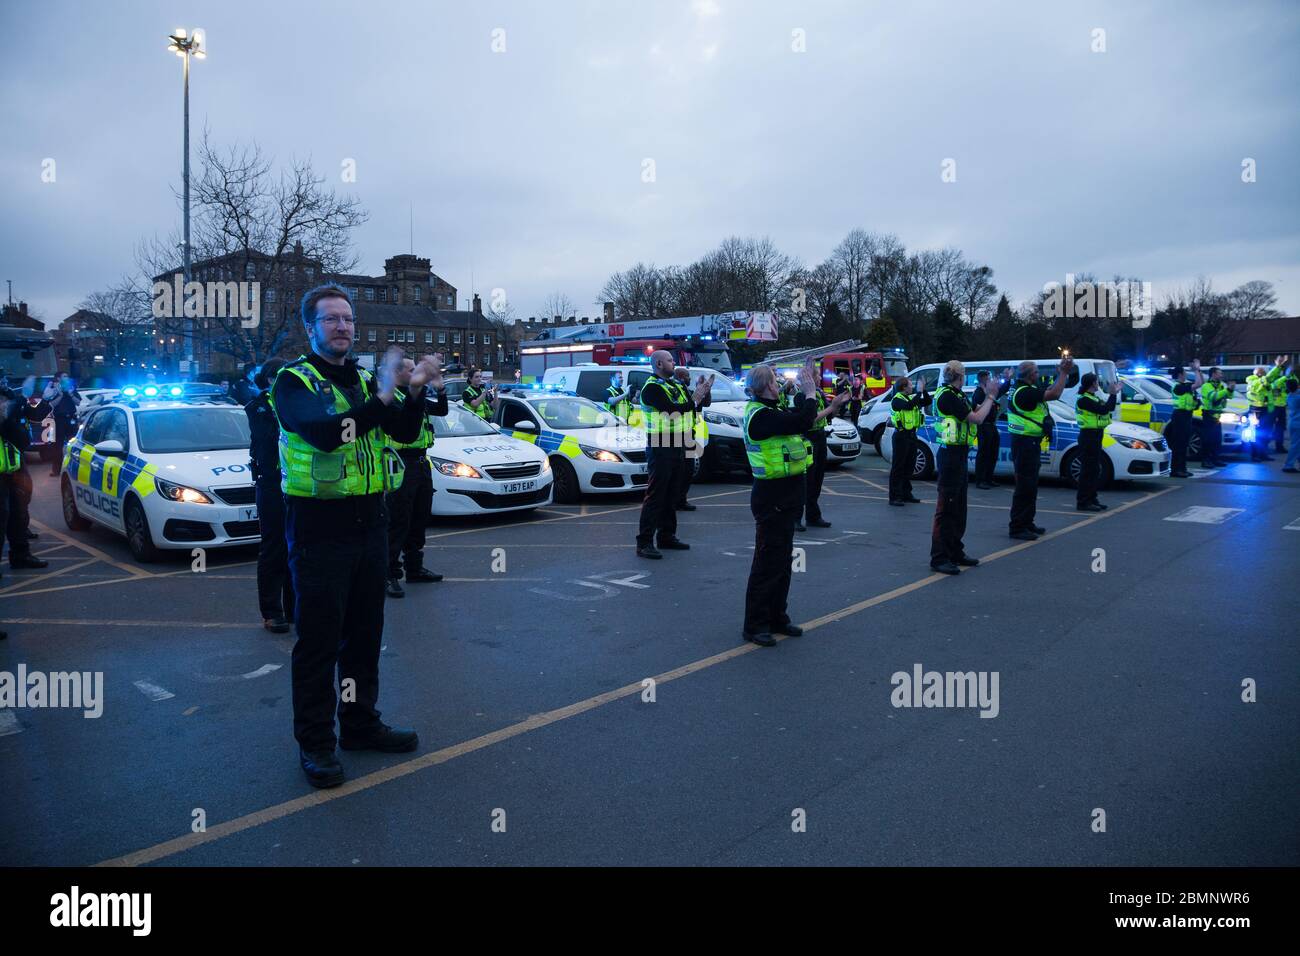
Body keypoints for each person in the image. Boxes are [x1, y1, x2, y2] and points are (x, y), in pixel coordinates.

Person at [270, 284, 436, 789]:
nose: (343, 326)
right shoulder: (293, 382)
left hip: (370, 524)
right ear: (310, 328)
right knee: (320, 643)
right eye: (331, 319)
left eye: (347, 319)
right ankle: (316, 744)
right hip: (320, 531)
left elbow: (405, 434)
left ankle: (359, 723)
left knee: (364, 639)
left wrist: (416, 390)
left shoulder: (364, 382)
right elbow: (328, 434)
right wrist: (386, 394)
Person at [741, 361, 848, 645]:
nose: (779, 386)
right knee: (767, 563)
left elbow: (804, 420)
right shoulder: (760, 416)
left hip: (786, 495)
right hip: (771, 497)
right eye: (775, 383)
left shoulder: (772, 411)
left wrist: (828, 406)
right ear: (765, 387)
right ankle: (755, 624)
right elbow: (801, 420)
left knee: (782, 562)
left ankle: (778, 616)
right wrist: (810, 392)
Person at [385, 355, 449, 598]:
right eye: (411, 370)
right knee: (397, 521)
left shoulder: (415, 395)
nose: (415, 374)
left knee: (419, 517)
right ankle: (389, 574)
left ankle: (414, 567)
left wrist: (440, 386)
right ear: (398, 373)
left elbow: (441, 409)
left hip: (421, 462)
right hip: (400, 463)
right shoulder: (392, 398)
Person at [635, 350, 710, 559]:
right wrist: (694, 400)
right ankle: (644, 542)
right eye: (669, 360)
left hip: (679, 441)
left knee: (672, 493)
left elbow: (694, 407)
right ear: (659, 364)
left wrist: (703, 392)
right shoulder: (651, 387)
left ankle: (667, 536)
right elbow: (672, 410)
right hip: (660, 442)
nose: (673, 362)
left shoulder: (676, 384)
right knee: (656, 494)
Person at [931, 361, 1000, 574]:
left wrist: (991, 397)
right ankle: (939, 557)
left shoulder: (957, 394)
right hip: (950, 455)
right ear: (960, 376)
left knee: (959, 508)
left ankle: (955, 551)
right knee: (947, 508)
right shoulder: (948, 396)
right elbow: (977, 418)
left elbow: (975, 411)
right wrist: (990, 396)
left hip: (959, 453)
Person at [246, 358, 294, 633]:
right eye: (278, 376)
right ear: (268, 379)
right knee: (274, 548)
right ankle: (272, 611)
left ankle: (293, 607)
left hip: (295, 485)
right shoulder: (259, 407)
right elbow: (270, 439)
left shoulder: (293, 402)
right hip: (271, 484)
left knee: (295, 547)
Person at [1007, 356, 1073, 540]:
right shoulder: (1024, 392)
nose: (1038, 374)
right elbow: (1054, 394)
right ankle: (1018, 527)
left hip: (1028, 442)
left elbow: (1049, 390)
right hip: (1025, 443)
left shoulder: (1025, 388)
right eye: (1036, 372)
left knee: (1030, 486)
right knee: (1025, 486)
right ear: (1029, 375)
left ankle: (1027, 522)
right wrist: (1064, 373)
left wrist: (1060, 374)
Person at [0, 379, 39, 586]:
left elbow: (23, 441)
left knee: (18, 514)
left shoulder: (7, 419)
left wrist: (9, 420)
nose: (4, 406)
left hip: (12, 471)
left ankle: (21, 555)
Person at [1074, 373, 1120, 511]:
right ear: (1092, 383)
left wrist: (1113, 394)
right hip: (1088, 436)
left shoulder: (1093, 398)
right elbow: (1104, 409)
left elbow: (1108, 408)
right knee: (1087, 470)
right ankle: (1083, 502)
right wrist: (1112, 394)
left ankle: (1092, 498)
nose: (1098, 383)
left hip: (1095, 435)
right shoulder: (1084, 400)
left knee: (1094, 470)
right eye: (1096, 381)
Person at [672, 365, 709, 511]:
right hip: (676, 434)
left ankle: (681, 499)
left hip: (688, 433)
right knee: (679, 469)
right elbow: (684, 406)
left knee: (688, 469)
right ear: (681, 377)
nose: (689, 379)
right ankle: (674, 500)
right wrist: (697, 396)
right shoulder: (675, 390)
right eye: (687, 376)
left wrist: (705, 389)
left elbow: (704, 403)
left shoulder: (686, 390)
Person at [887, 375, 929, 506]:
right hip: (900, 436)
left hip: (911, 435)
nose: (912, 387)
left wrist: (924, 390)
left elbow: (927, 401)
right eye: (910, 385)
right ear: (904, 387)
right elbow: (909, 406)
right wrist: (920, 392)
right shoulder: (897, 400)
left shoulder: (909, 398)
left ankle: (906, 493)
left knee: (909, 466)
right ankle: (894, 496)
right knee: (898, 467)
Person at [1166, 362, 1204, 477]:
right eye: (1184, 372)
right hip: (1179, 416)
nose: (1186, 374)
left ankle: (1182, 468)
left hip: (1186, 416)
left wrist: (1198, 370)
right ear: (1180, 374)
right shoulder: (1178, 387)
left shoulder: (1184, 385)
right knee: (1179, 444)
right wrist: (1196, 370)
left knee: (1184, 443)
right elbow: (1198, 384)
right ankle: (1176, 470)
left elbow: (1200, 383)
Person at [1245, 358, 1286, 461]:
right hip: (1256, 410)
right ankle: (1255, 455)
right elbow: (1269, 378)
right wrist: (1278, 367)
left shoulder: (1262, 382)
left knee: (1265, 433)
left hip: (1265, 410)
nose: (1264, 375)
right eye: (1262, 373)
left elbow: (1271, 380)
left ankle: (1263, 454)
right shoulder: (1254, 382)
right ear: (1258, 374)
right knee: (1256, 434)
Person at [972, 369, 1004, 489]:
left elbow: (1000, 392)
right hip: (984, 426)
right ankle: (980, 480)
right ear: (983, 380)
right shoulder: (979, 393)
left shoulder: (988, 392)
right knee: (983, 453)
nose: (990, 380)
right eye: (988, 378)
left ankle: (988, 478)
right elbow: (977, 409)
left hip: (991, 425)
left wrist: (1007, 379)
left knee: (992, 453)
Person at [1198, 368, 1232, 468]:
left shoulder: (1220, 385)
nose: (1221, 375)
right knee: (1208, 439)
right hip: (1208, 414)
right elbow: (1214, 397)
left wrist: (1230, 390)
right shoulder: (1206, 386)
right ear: (1213, 374)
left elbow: (1229, 396)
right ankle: (1206, 460)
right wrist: (1227, 390)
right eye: (1219, 373)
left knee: (1217, 439)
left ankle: (1215, 459)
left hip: (1217, 415)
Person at [47, 375, 79, 477]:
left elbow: (78, 403)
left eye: (67, 381)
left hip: (71, 419)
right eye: (63, 381)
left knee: (74, 445)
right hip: (59, 420)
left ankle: (75, 470)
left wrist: (71, 395)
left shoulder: (72, 391)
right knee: (57, 446)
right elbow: (51, 405)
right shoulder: (55, 391)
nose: (65, 384)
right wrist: (60, 395)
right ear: (59, 381)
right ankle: (56, 470)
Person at [1269, 361, 1293, 454]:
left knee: (1281, 428)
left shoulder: (1287, 377)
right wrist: (1285, 377)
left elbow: (1294, 384)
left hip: (1282, 406)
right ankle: (1264, 447)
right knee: (1269, 427)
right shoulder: (1273, 378)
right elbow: (1274, 385)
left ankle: (1279, 446)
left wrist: (1290, 376)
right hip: (1273, 406)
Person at [1283, 377, 1300, 473]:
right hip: (1298, 423)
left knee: (1296, 444)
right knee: (1296, 445)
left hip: (1293, 422)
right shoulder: (1298, 397)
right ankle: (1288, 465)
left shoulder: (1289, 396)